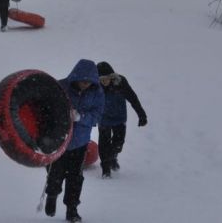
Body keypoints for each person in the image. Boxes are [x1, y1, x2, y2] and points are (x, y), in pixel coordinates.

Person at [44, 59, 104, 222]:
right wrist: (62, 115)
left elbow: (97, 116)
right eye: (83, 81)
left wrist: (80, 117)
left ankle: (72, 209)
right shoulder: (61, 86)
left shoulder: (97, 93)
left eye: (89, 82)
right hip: (58, 140)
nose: (85, 84)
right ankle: (52, 195)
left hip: (80, 143)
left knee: (75, 178)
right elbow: (46, 108)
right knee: (54, 173)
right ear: (76, 77)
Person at [96, 61, 147, 178]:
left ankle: (113, 157)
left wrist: (141, 114)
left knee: (118, 144)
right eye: (101, 79)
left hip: (119, 117)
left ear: (112, 77)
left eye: (106, 78)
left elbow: (133, 98)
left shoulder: (121, 82)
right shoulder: (96, 86)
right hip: (103, 118)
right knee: (104, 144)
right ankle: (105, 169)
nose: (104, 82)